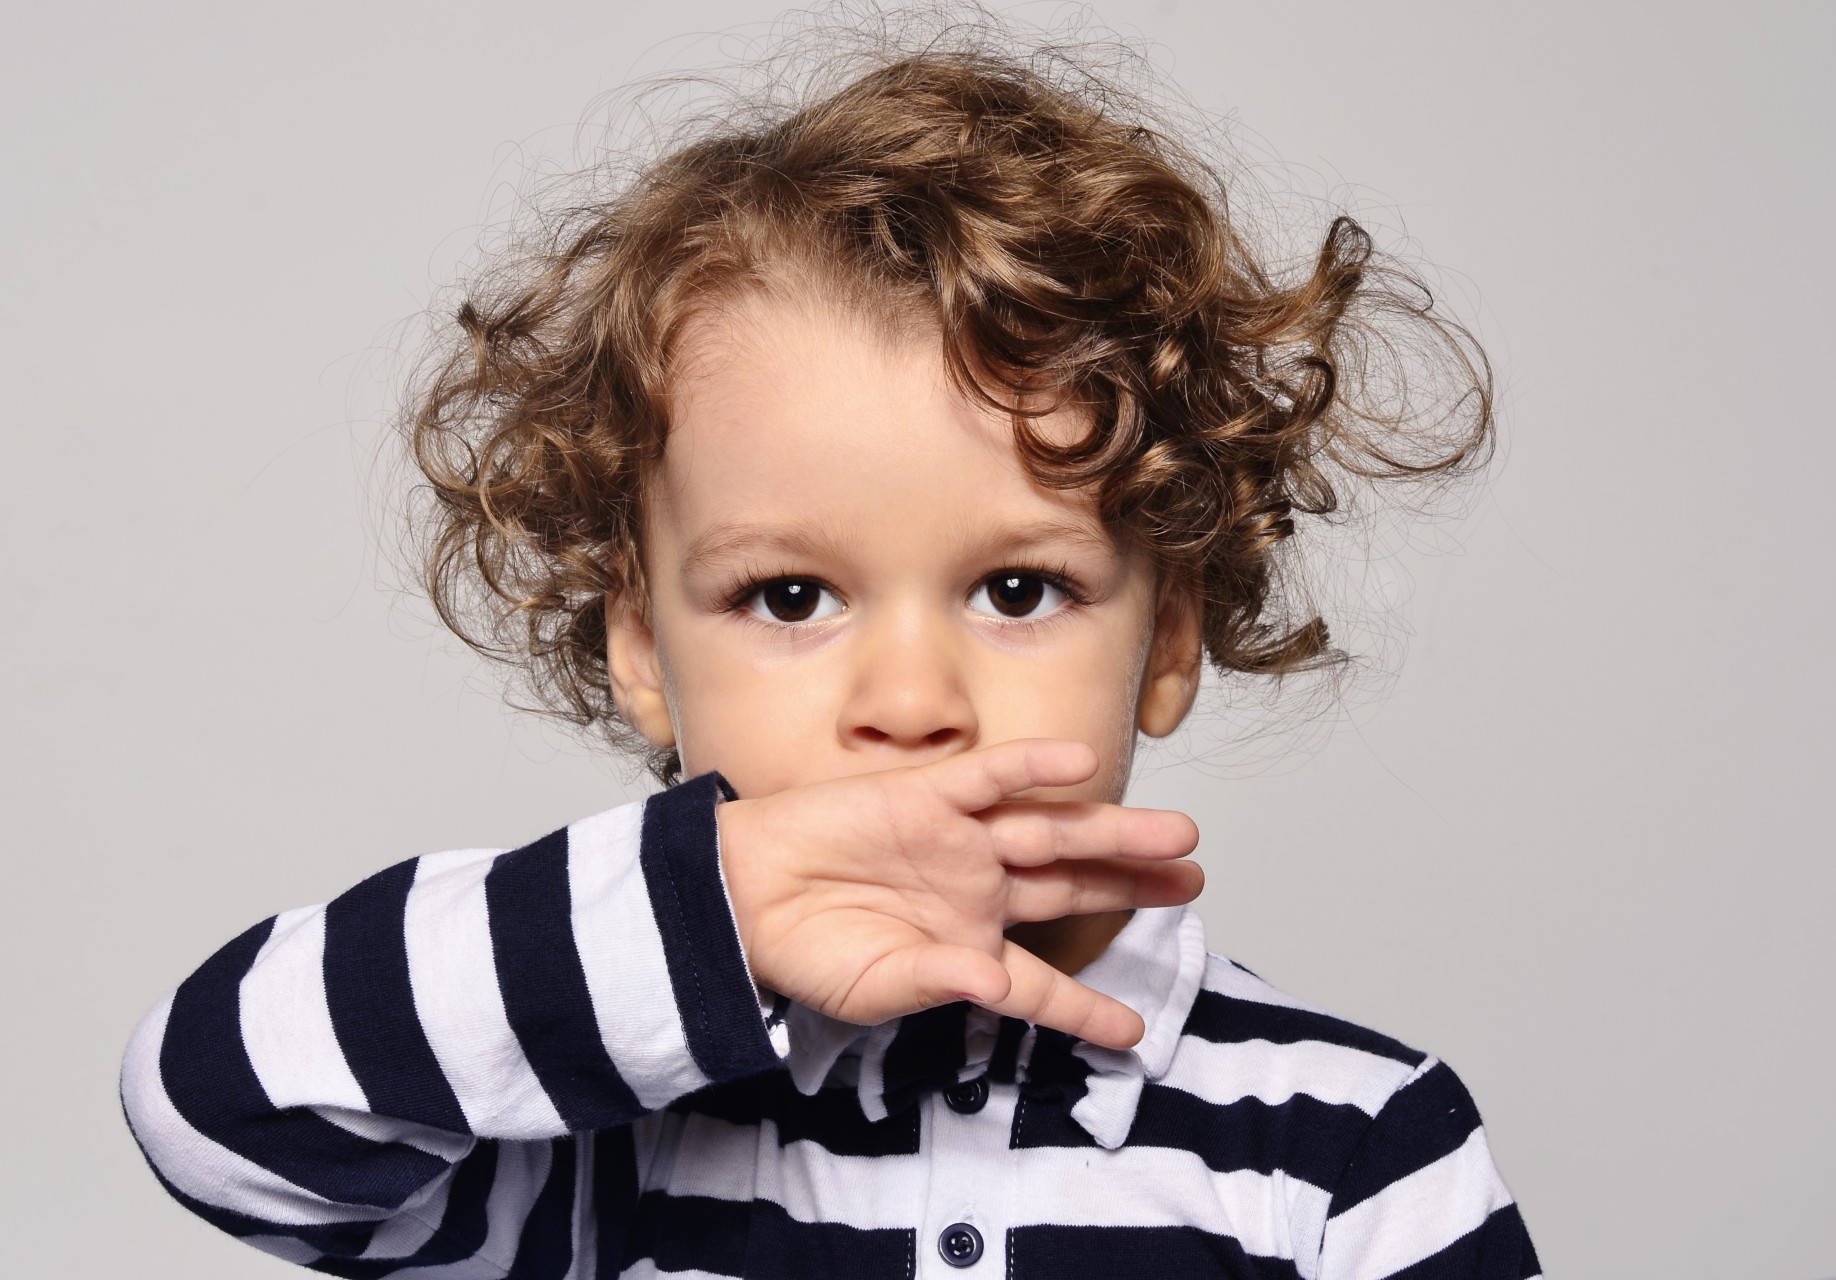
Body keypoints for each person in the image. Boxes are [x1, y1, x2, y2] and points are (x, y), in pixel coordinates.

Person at [121, 18, 1539, 1279]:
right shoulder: (593, 1135)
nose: (909, 703)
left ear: (1169, 637)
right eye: (793, 597)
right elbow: (216, 1106)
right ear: (642, 650)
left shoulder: (1357, 1151)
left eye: (1019, 590)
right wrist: (713, 910)